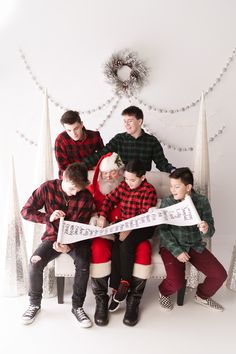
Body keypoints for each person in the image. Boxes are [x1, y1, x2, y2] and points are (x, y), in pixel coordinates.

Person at [21, 162, 94, 327]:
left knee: (83, 263)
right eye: (72, 188)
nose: (75, 193)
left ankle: (77, 307)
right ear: (64, 177)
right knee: (35, 262)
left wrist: (69, 247)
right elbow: (25, 211)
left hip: (76, 240)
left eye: (78, 190)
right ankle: (34, 304)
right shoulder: (47, 188)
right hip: (52, 237)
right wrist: (48, 217)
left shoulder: (86, 197)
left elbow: (81, 228)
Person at [88, 153, 154, 326]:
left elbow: (144, 216)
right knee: (117, 249)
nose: (128, 183)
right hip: (124, 226)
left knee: (127, 245)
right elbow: (109, 199)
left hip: (142, 227)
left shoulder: (148, 191)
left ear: (143, 177)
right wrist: (102, 215)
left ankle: (125, 282)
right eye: (126, 179)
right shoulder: (124, 186)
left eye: (132, 180)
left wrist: (129, 228)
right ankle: (117, 290)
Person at [157, 167, 227, 311]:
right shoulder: (167, 203)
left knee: (220, 275)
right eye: (171, 186)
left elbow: (211, 231)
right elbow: (162, 231)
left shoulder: (202, 201)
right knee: (176, 283)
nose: (172, 190)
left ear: (188, 187)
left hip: (195, 246)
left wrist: (206, 228)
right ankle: (163, 292)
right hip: (172, 246)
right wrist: (177, 251)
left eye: (177, 186)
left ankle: (201, 296)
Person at [84, 105, 175, 173]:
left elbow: (161, 162)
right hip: (123, 179)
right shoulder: (119, 139)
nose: (126, 124)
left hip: (142, 180)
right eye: (124, 121)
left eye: (130, 121)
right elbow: (101, 153)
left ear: (139, 122)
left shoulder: (152, 141)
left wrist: (172, 170)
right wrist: (82, 165)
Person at [55, 110, 104, 178]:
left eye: (76, 128)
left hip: (90, 174)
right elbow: (63, 167)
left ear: (81, 124)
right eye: (69, 130)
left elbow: (103, 155)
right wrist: (90, 168)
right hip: (70, 177)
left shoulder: (95, 136)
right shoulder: (60, 140)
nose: (73, 133)